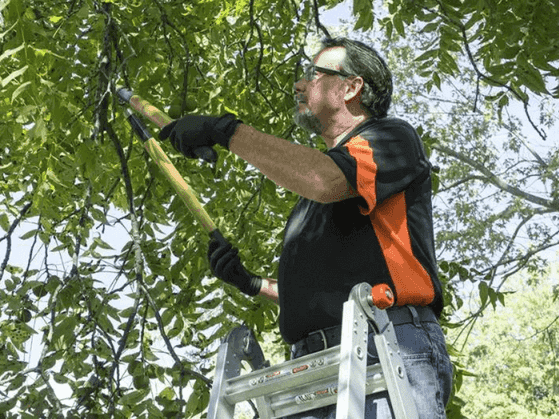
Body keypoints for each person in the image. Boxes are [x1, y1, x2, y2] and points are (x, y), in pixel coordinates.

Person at [159, 37, 452, 419]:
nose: (299, 85)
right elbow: (331, 293)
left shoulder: (389, 139)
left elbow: (325, 178)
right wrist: (252, 284)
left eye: (314, 74)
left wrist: (225, 131)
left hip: (386, 347)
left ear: (351, 87)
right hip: (314, 368)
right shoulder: (312, 203)